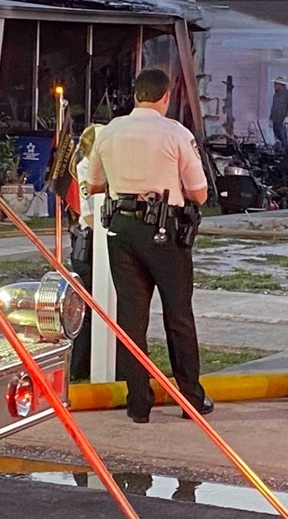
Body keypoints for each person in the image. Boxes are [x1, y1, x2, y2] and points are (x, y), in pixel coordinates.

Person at [86, 68, 212, 424]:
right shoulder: (175, 132)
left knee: (131, 317)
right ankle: (190, 399)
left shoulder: (108, 132)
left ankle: (137, 402)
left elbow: (94, 184)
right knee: (178, 316)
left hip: (121, 229)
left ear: (136, 95)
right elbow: (200, 193)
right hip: (164, 231)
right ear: (165, 97)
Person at [68, 123, 103, 381]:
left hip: (100, 243)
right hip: (90, 247)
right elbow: (88, 214)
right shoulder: (85, 168)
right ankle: (80, 367)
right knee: (88, 311)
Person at [269, 75, 288, 152]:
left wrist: (287, 117)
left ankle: (286, 152)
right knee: (277, 136)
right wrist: (270, 118)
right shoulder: (275, 96)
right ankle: (280, 151)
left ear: (281, 85)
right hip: (276, 120)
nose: (274, 86)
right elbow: (273, 107)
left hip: (284, 121)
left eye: (276, 84)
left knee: (284, 136)